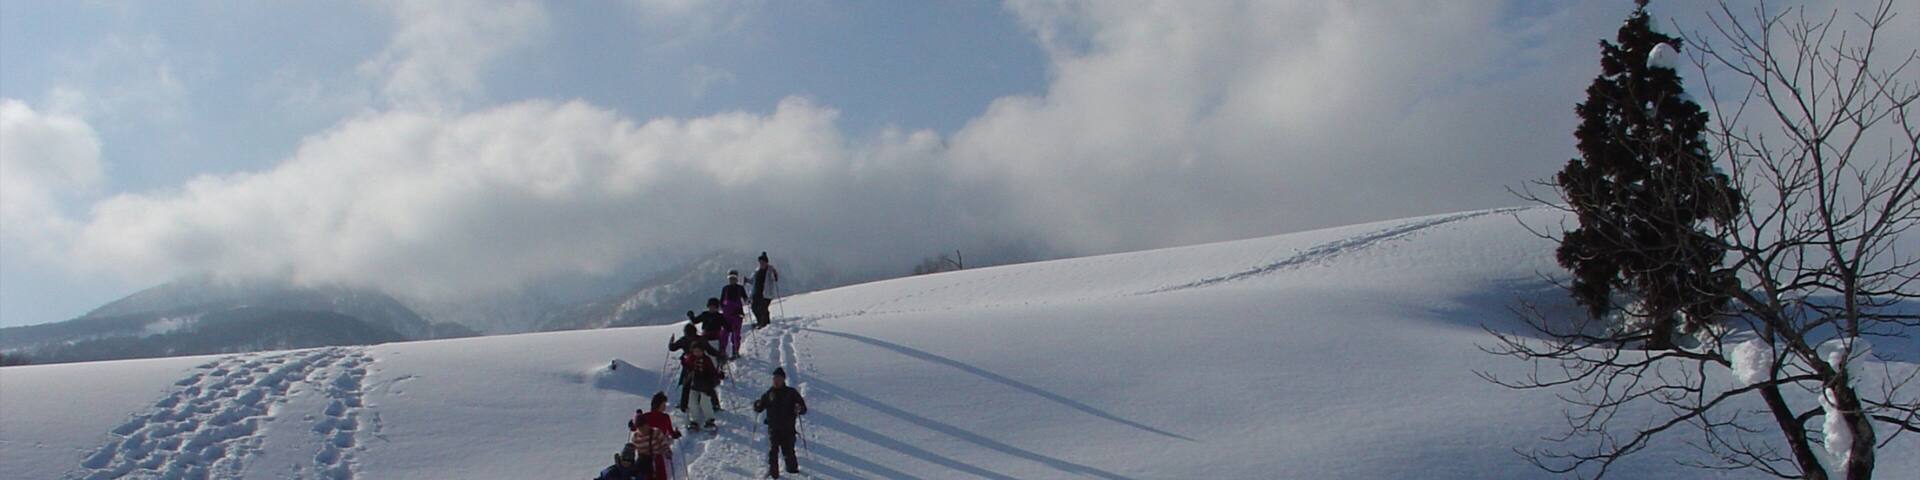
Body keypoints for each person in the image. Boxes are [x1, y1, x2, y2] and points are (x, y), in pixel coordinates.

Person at [752, 367, 808, 478]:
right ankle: (774, 474)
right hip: (773, 428)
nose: (776, 381)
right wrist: (757, 405)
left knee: (788, 452)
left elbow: (803, 409)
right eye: (774, 378)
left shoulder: (791, 392)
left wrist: (799, 408)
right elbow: (759, 407)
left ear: (783, 380)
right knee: (773, 452)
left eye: (778, 378)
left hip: (788, 428)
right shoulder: (769, 393)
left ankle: (793, 472)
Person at [667, 323, 720, 412]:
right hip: (702, 363)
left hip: (689, 363)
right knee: (708, 385)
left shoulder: (683, 340)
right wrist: (720, 354)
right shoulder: (701, 339)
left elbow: (672, 348)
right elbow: (710, 350)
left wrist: (671, 341)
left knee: (686, 385)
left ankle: (684, 405)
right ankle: (715, 404)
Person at [630, 392, 681, 480]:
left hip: (644, 456)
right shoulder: (665, 417)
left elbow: (635, 428)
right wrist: (676, 434)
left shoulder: (644, 416)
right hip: (658, 451)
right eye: (663, 404)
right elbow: (671, 433)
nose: (665, 407)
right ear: (659, 405)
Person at [681, 345, 723, 431]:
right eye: (695, 351)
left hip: (705, 385)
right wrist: (683, 361)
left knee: (705, 402)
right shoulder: (691, 358)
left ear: (702, 351)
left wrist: (713, 381)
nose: (697, 353)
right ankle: (695, 420)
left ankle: (710, 420)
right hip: (693, 384)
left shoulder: (706, 360)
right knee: (692, 402)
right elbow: (687, 367)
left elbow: (712, 372)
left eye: (699, 351)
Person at [720, 271, 749, 359]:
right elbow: (721, 300)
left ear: (736, 279)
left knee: (736, 334)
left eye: (733, 278)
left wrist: (748, 301)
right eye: (730, 279)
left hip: (736, 314)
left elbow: (745, 297)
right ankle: (723, 352)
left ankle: (735, 351)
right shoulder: (726, 288)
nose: (732, 280)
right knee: (724, 334)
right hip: (728, 314)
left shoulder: (739, 288)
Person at [751, 252, 781, 329]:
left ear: (766, 262)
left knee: (762, 308)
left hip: (766, 294)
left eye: (763, 262)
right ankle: (761, 322)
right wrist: (747, 280)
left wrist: (775, 274)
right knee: (754, 307)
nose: (761, 263)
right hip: (757, 293)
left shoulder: (770, 270)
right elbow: (753, 281)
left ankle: (763, 323)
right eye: (760, 262)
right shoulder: (757, 271)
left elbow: (775, 279)